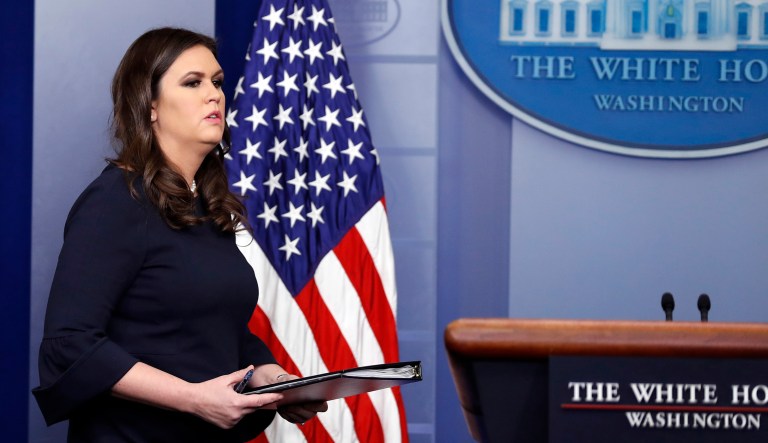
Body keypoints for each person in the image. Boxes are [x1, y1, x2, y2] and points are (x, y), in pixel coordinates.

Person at [32, 27, 327, 442]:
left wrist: (270, 377)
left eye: (218, 82)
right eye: (193, 82)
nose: (215, 95)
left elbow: (210, 328)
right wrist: (192, 398)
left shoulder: (206, 206)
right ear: (149, 105)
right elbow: (69, 343)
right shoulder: (115, 201)